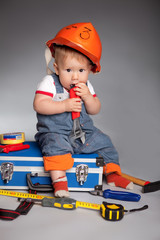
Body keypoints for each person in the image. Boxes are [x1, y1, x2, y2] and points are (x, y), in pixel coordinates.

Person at [33, 22, 133, 197]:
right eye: (68, 70)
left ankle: (113, 174)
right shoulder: (49, 82)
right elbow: (39, 104)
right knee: (55, 147)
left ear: (89, 70)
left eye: (81, 70)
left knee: (105, 143)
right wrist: (63, 105)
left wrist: (87, 97)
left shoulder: (86, 86)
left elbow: (95, 109)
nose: (75, 76)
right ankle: (59, 181)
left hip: (84, 133)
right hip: (56, 133)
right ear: (57, 68)